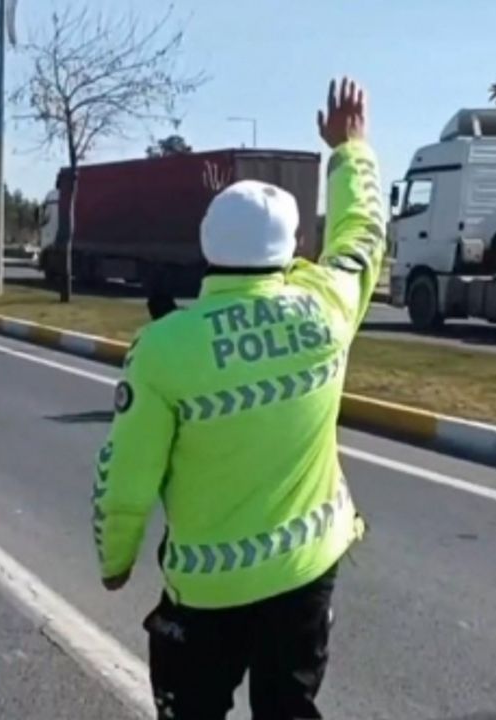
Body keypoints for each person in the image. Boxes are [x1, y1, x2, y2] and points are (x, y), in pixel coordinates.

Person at [92, 77, 383, 720]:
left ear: (208, 247)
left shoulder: (165, 348)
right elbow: (362, 237)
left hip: (205, 590)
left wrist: (116, 561)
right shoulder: (326, 310)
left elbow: (126, 478)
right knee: (288, 707)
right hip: (307, 571)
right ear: (294, 248)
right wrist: (350, 149)